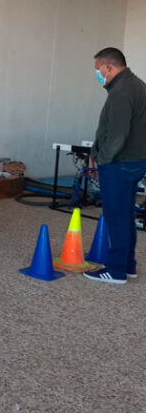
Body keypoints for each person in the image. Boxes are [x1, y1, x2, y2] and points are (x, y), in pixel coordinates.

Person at [84, 47, 146, 284]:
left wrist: (103, 158)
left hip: (119, 163)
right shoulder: (137, 85)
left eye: (97, 69)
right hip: (134, 161)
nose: (97, 74)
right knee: (126, 215)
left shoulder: (121, 91)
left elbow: (118, 133)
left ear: (108, 67)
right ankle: (128, 265)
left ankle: (116, 270)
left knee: (116, 217)